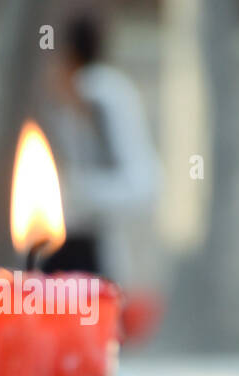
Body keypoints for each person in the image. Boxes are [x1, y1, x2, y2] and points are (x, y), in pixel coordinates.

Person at [44, 12, 159, 283]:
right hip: (54, 248)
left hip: (90, 250)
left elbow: (142, 184)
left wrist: (73, 190)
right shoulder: (55, 99)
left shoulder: (103, 93)